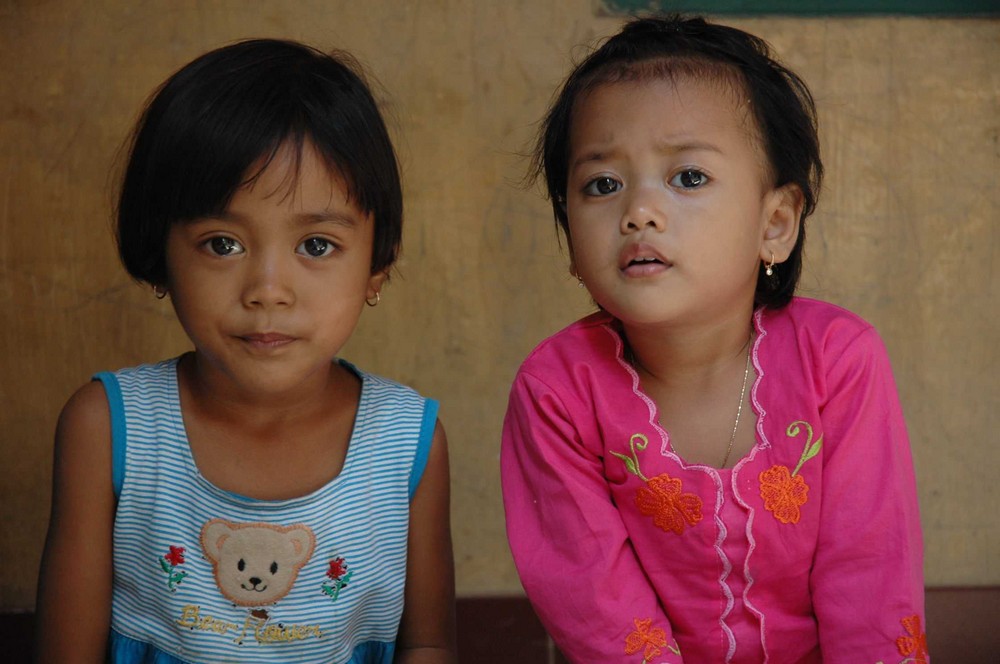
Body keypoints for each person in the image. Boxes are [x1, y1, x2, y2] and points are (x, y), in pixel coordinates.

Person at [501, 15, 927, 663]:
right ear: (570, 242)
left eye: (688, 177)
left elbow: (869, 580)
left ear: (775, 224)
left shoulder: (837, 361)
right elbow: (596, 606)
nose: (638, 210)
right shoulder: (557, 389)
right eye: (601, 184)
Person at [35, 39, 456, 663]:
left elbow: (426, 643)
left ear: (377, 267)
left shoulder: (404, 442)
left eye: (315, 245)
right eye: (221, 243)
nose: (267, 292)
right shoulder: (109, 429)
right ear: (160, 254)